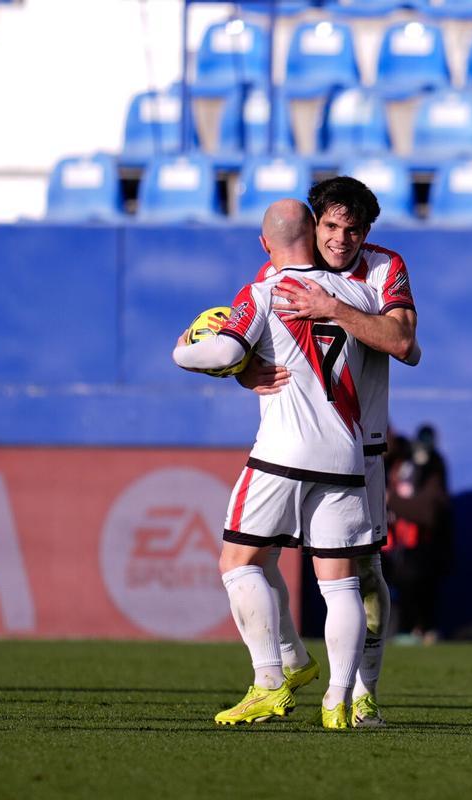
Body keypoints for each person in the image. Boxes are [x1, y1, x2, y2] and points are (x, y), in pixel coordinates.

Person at [173, 199, 381, 730]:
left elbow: (219, 354)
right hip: (345, 453)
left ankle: (271, 681)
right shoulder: (356, 294)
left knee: (238, 562)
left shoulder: (262, 291)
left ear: (265, 245)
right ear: (313, 235)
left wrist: (182, 351)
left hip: (283, 452)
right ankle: (338, 701)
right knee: (341, 585)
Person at [241, 176, 418, 727]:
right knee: (252, 556)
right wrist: (245, 371)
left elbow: (403, 344)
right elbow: (248, 343)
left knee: (362, 573)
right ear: (314, 223)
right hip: (291, 443)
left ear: (368, 233)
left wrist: (333, 307)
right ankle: (290, 664)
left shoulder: (384, 268)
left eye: (355, 230)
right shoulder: (279, 273)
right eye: (332, 226)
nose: (342, 239)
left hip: (359, 446)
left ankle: (362, 692)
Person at [383, 423, 453, 644]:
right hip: (382, 545)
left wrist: (388, 499)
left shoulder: (424, 462)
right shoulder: (370, 461)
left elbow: (428, 512)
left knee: (412, 574)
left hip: (419, 549)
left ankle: (417, 629)